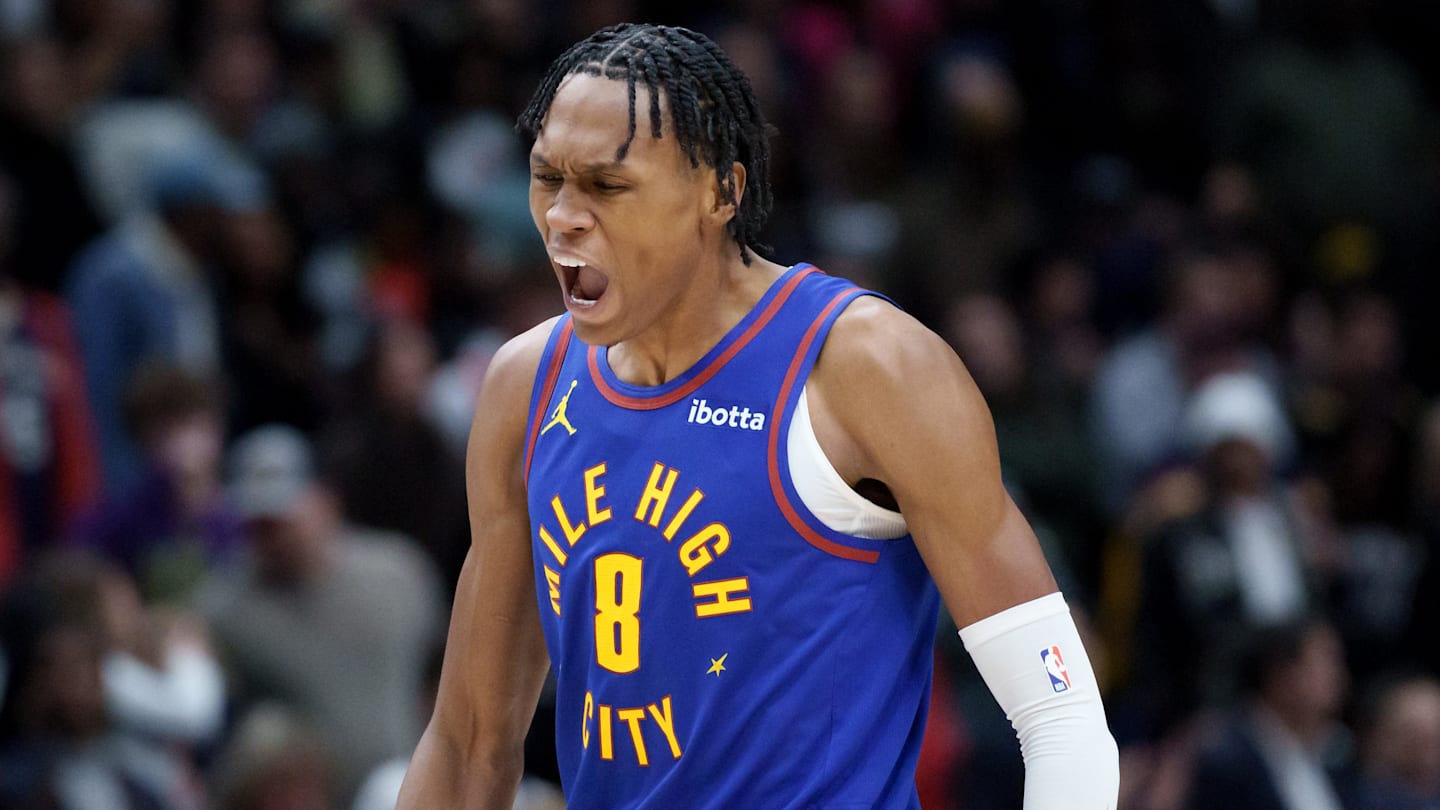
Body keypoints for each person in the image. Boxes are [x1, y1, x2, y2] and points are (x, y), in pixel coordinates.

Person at [399, 22, 1118, 809]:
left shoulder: (866, 367)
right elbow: (470, 743)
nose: (563, 217)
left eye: (607, 185)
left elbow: (1059, 713)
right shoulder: (527, 387)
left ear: (721, 192)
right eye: (547, 179)